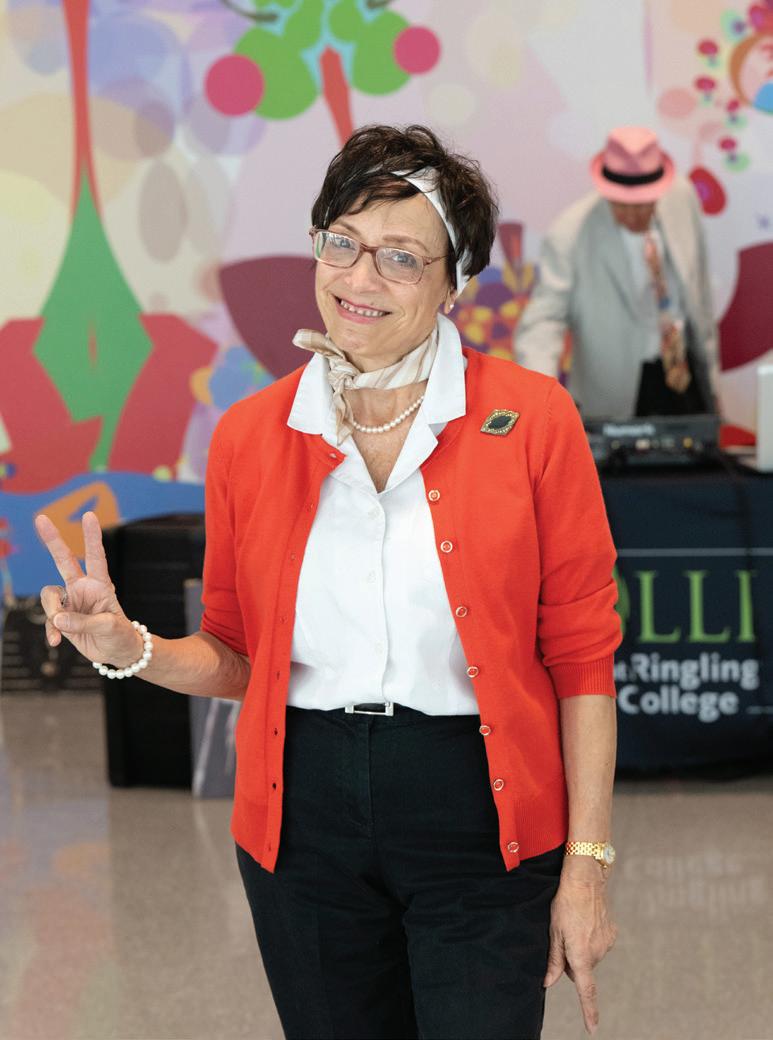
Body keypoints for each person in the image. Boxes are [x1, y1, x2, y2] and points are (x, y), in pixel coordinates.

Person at [37, 124, 621, 1040]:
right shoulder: (251, 434)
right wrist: (128, 647)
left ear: (453, 281)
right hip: (302, 819)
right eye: (341, 243)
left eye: (400, 256)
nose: (360, 278)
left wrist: (585, 865)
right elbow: (235, 656)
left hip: (481, 810)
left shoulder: (532, 419)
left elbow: (582, 659)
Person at [516, 125, 719, 419]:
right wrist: (539, 402)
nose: (633, 215)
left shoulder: (683, 199)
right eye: (621, 204)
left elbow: (700, 293)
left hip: (684, 373)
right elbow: (544, 321)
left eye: (644, 203)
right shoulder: (570, 233)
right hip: (614, 393)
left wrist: (712, 379)